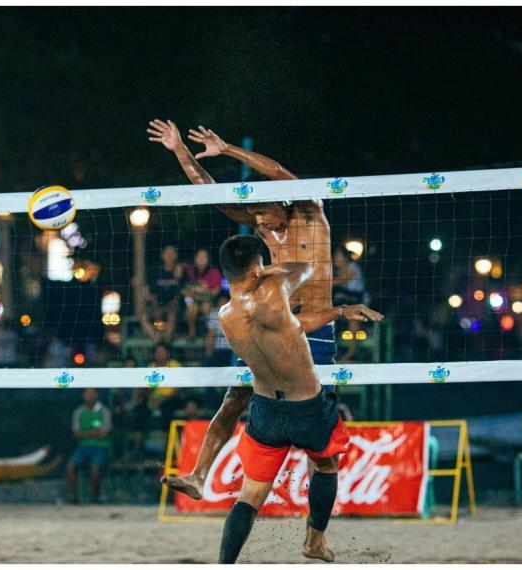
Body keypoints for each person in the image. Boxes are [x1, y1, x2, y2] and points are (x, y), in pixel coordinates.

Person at [148, 119, 381, 501]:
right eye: (254, 218)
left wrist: (227, 150)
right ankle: (198, 476)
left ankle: (316, 518)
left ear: (282, 201)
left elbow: (274, 171)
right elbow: (211, 193)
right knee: (234, 397)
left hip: (316, 329)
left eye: (262, 214)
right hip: (275, 327)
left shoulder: (311, 212)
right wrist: (179, 149)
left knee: (321, 419)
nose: (258, 222)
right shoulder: (264, 227)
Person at [214, 235, 350, 563]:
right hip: (306, 406)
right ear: (255, 266)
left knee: (251, 494)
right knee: (326, 464)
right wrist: (271, 271)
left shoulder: (225, 315)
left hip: (266, 411)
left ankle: (223, 565)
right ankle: (314, 541)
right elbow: (306, 268)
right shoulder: (273, 294)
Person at [66, 388, 112, 504]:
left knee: (95, 469)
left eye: (92, 393)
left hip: (100, 447)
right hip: (83, 447)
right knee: (70, 467)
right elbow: (76, 434)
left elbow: (104, 433)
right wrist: (93, 432)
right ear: (82, 395)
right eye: (87, 393)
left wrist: (85, 433)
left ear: (97, 395)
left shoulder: (104, 411)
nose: (90, 396)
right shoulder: (78, 412)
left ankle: (95, 497)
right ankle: (73, 496)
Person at [332, 247, 370, 362]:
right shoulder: (337, 271)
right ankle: (334, 350)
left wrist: (320, 281)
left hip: (360, 302)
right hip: (345, 303)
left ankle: (352, 352)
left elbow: (341, 281)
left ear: (344, 257)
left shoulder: (353, 267)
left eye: (337, 256)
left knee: (353, 318)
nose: (334, 258)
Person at [141, 245, 183, 342]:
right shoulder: (156, 272)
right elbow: (150, 293)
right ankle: (156, 340)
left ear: (176, 256)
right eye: (167, 253)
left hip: (173, 306)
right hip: (157, 304)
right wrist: (156, 307)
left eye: (172, 253)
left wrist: (178, 277)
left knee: (171, 316)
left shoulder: (180, 271)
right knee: (143, 317)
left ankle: (166, 341)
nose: (169, 256)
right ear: (162, 255)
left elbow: (181, 292)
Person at [183, 248, 223, 339]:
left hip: (208, 300)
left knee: (206, 307)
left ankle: (208, 333)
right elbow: (185, 288)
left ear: (208, 259)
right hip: (190, 299)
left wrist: (205, 290)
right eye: (199, 256)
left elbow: (216, 292)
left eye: (204, 257)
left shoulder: (214, 272)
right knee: (190, 306)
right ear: (195, 258)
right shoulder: (190, 270)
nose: (201, 259)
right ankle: (191, 332)